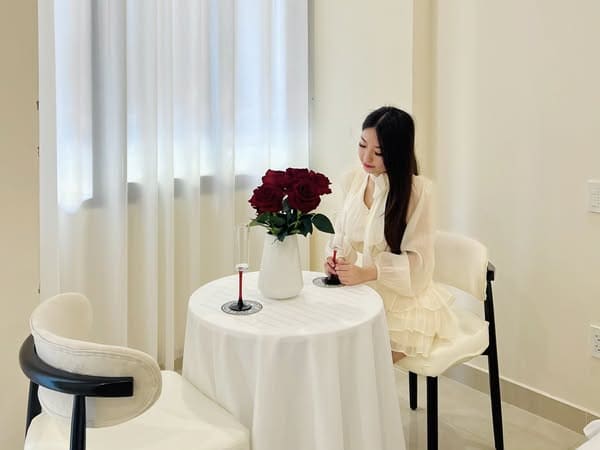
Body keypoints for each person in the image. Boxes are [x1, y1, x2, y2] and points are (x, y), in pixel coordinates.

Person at [324, 106, 457, 363]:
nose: (366, 157)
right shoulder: (353, 179)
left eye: (379, 152)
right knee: (329, 346)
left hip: (404, 301)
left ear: (397, 153)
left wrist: (368, 272)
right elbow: (342, 234)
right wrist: (336, 261)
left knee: (363, 362)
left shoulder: (418, 192)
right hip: (361, 290)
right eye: (362, 145)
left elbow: (419, 265)